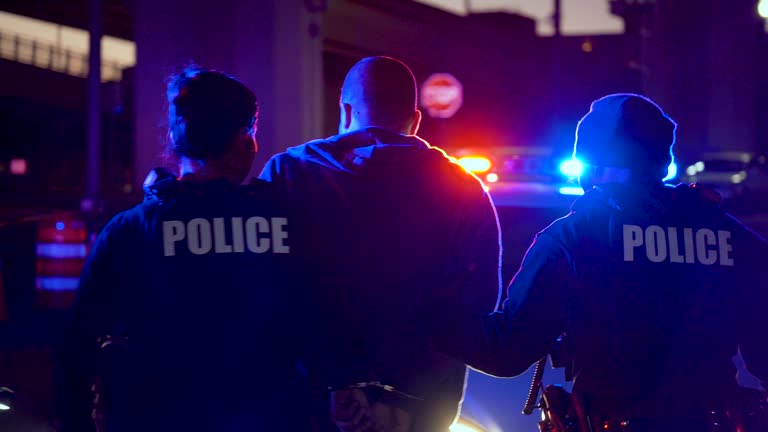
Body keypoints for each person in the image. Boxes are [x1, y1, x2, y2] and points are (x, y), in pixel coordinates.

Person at [435, 93, 768, 431]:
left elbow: (506, 350)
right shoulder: (728, 233)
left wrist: (428, 313)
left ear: (590, 162)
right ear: (661, 160)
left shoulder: (572, 238)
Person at [56, 66, 311, 432]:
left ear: (176, 139)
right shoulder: (288, 222)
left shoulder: (131, 230)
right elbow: (324, 322)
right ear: (245, 141)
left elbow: (77, 348)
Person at [260, 56, 502, 432]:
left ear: (344, 110)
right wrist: (403, 398)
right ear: (416, 120)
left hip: (310, 404)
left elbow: (269, 291)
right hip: (417, 412)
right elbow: (476, 307)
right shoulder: (462, 188)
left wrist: (336, 384)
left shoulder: (287, 174)